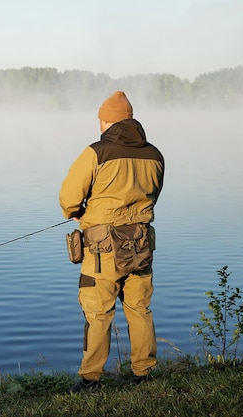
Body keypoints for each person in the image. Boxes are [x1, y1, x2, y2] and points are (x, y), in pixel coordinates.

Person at [59, 91, 165, 393]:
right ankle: (143, 373)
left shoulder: (97, 152)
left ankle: (91, 379)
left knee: (98, 311)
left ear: (107, 120)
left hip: (102, 249)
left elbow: (68, 196)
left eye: (101, 120)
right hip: (141, 245)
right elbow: (154, 194)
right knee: (140, 308)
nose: (99, 125)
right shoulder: (155, 154)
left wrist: (76, 213)